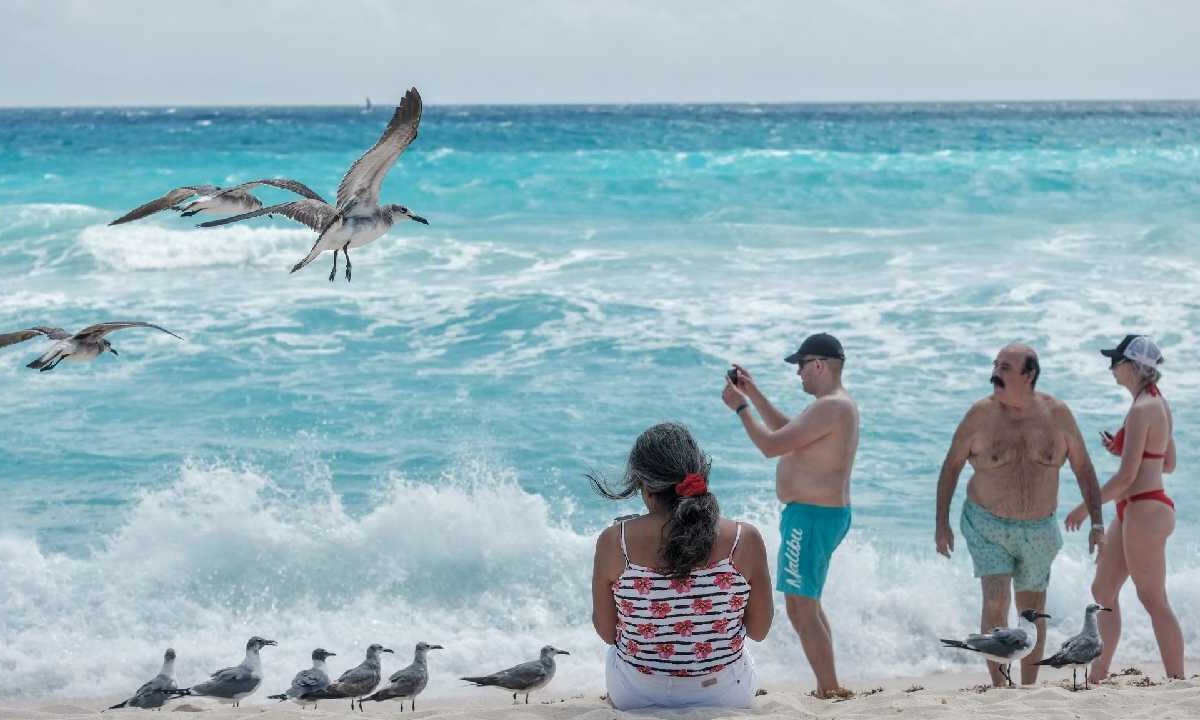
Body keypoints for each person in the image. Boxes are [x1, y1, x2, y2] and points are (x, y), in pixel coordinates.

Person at [936, 343, 1104, 687]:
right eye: (996, 364)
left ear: (1029, 375)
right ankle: (1001, 690)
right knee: (996, 600)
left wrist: (1097, 522)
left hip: (1039, 528)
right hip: (987, 524)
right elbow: (951, 467)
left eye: (1006, 367)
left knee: (1032, 610)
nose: (996, 372)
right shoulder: (979, 415)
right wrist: (942, 523)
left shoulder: (1058, 415)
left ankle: (1028, 689)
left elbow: (1084, 469)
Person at [590, 422, 772, 711]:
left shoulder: (615, 542)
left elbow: (606, 632)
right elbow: (759, 630)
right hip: (724, 693)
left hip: (636, 693)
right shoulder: (743, 539)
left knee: (617, 655)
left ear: (644, 487)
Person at [722, 332, 857, 699]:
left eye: (801, 365)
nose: (798, 373)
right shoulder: (832, 406)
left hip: (813, 517)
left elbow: (770, 445)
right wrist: (753, 393)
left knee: (800, 608)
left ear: (819, 365)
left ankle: (829, 687)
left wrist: (740, 408)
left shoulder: (832, 406)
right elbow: (786, 430)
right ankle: (829, 684)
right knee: (806, 603)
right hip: (816, 515)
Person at [1066, 335, 1184, 682]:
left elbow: (1126, 477)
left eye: (1116, 360)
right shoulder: (1157, 404)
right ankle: (1097, 676)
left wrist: (1086, 508)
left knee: (1153, 599)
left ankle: (1177, 681)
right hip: (1139, 508)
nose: (1111, 367)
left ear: (1133, 366)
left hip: (1145, 511)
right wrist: (1129, 450)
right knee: (1103, 592)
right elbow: (1169, 463)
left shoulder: (1141, 410)